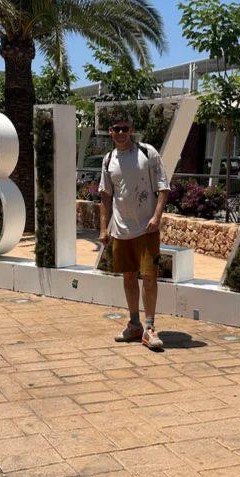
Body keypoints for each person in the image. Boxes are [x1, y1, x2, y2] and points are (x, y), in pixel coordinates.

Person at [98, 114, 170, 350]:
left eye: (124, 128)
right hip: (121, 229)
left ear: (131, 129)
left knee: (149, 277)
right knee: (128, 277)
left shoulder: (147, 153)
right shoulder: (108, 160)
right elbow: (105, 196)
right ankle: (135, 324)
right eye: (116, 129)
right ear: (110, 131)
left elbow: (163, 187)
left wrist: (156, 217)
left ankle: (150, 327)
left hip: (147, 228)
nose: (121, 133)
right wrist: (104, 228)